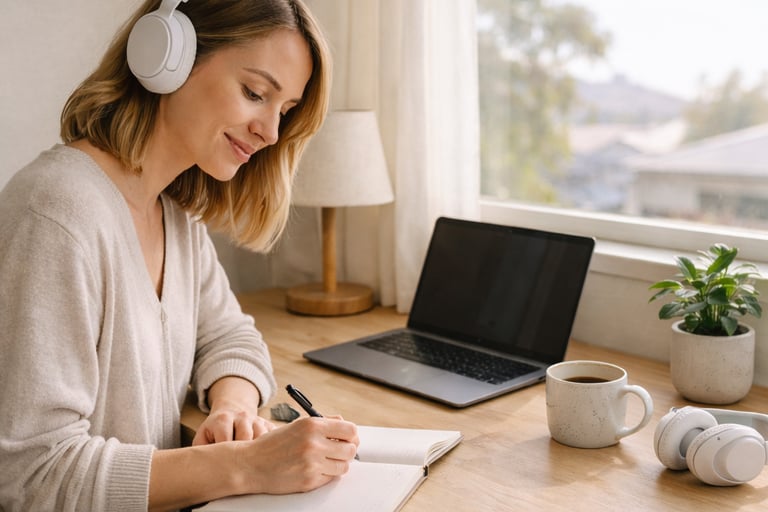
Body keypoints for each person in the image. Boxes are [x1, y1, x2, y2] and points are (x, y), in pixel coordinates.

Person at [0, 1, 359, 510]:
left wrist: (233, 407)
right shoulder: (57, 214)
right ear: (168, 55)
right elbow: (30, 475)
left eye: (285, 110)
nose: (271, 132)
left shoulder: (173, 212)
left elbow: (229, 334)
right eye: (255, 93)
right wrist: (245, 465)